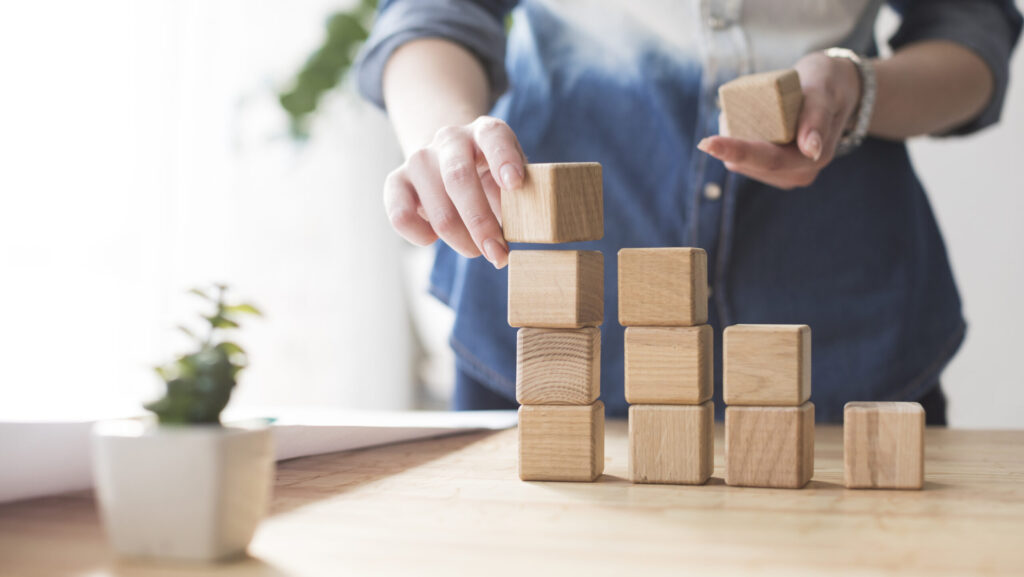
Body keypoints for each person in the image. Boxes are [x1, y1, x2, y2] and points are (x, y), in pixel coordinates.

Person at [355, 0, 1022, 424]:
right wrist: (444, 135)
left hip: (846, 324)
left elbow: (970, 27)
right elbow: (431, 11)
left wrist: (862, 87)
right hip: (544, 338)